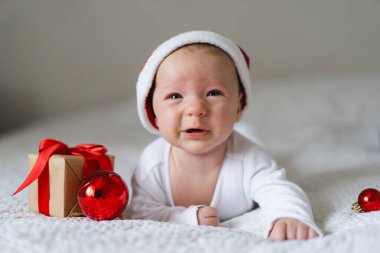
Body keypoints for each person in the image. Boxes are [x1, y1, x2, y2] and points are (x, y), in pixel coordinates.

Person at [131, 31, 322, 240]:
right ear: (154, 114)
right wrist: (183, 217)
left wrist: (289, 216)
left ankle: (247, 130)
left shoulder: (250, 158)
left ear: (238, 107)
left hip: (245, 141)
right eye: (175, 96)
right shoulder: (152, 164)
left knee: (256, 144)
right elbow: (142, 212)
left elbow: (278, 189)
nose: (195, 109)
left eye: (213, 93)